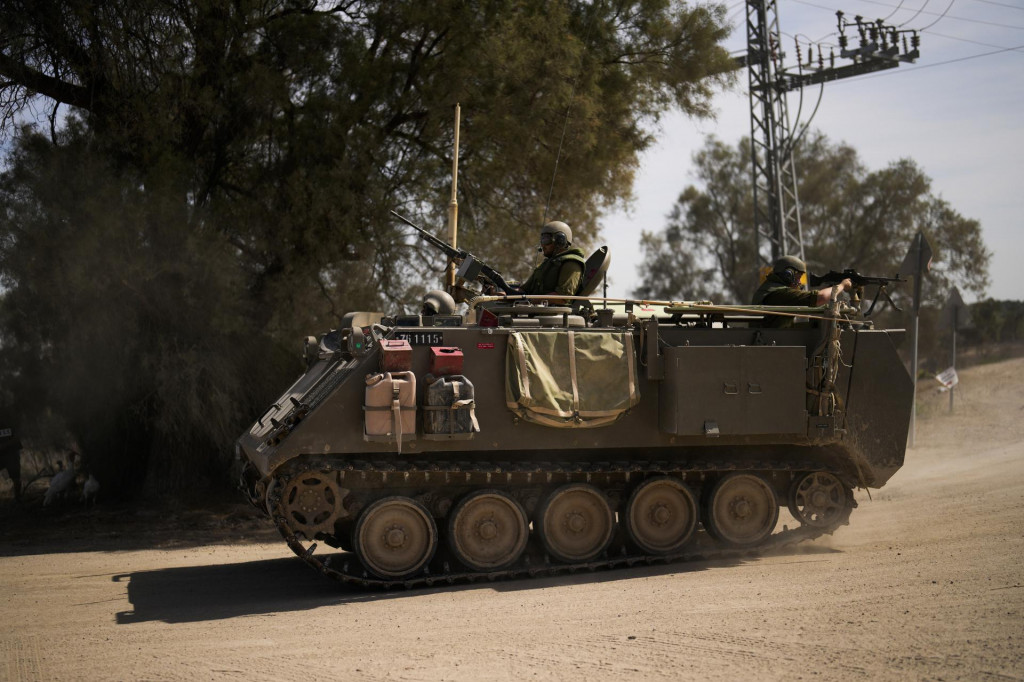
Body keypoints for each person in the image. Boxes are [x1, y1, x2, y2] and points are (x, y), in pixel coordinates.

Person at [752, 255, 852, 328]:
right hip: (772, 343)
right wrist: (842, 285)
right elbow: (821, 298)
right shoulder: (779, 293)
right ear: (788, 275)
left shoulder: (769, 288)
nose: (800, 282)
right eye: (798, 277)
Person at [518, 221, 586, 298]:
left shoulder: (571, 263)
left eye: (546, 240)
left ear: (560, 240)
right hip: (534, 308)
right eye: (542, 240)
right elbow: (524, 290)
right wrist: (505, 293)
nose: (543, 245)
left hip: (554, 309)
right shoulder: (545, 265)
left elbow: (563, 297)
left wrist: (529, 302)